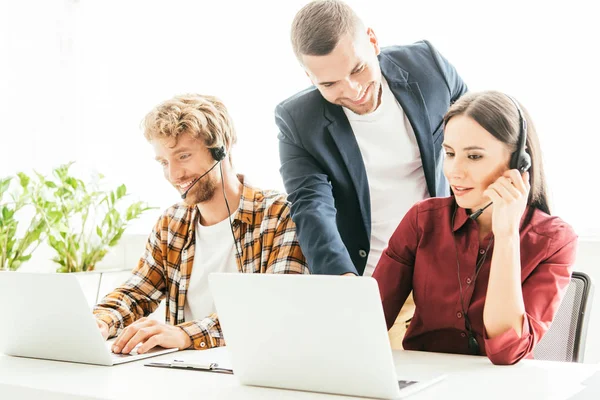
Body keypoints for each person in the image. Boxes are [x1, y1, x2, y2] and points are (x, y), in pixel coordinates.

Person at [276, 0, 467, 344]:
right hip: (373, 284)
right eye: (329, 84)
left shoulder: (429, 67)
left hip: (451, 271)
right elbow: (311, 207)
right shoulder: (298, 122)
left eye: (357, 69)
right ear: (309, 76)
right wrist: (343, 283)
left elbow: (480, 141)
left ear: (373, 41)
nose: (351, 90)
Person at [93, 94, 308, 355]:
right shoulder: (172, 222)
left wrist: (184, 334)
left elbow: (272, 307)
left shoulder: (280, 214)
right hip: (183, 372)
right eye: (163, 162)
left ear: (222, 148)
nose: (173, 175)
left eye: (183, 156)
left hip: (257, 369)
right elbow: (138, 292)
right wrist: (101, 320)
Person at [373, 91, 577, 365]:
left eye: (474, 157)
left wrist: (506, 236)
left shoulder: (554, 241)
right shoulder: (423, 220)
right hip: (425, 381)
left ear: (518, 164)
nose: (454, 171)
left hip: (499, 387)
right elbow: (368, 321)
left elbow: (507, 352)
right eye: (450, 153)